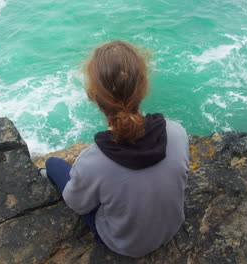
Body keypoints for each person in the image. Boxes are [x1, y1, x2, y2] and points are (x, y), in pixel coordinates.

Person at [42, 40, 189, 258]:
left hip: (125, 244)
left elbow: (78, 205)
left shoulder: (92, 160)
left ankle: (43, 175)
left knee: (53, 165)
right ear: (143, 87)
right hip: (172, 226)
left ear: (93, 95)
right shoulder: (177, 132)